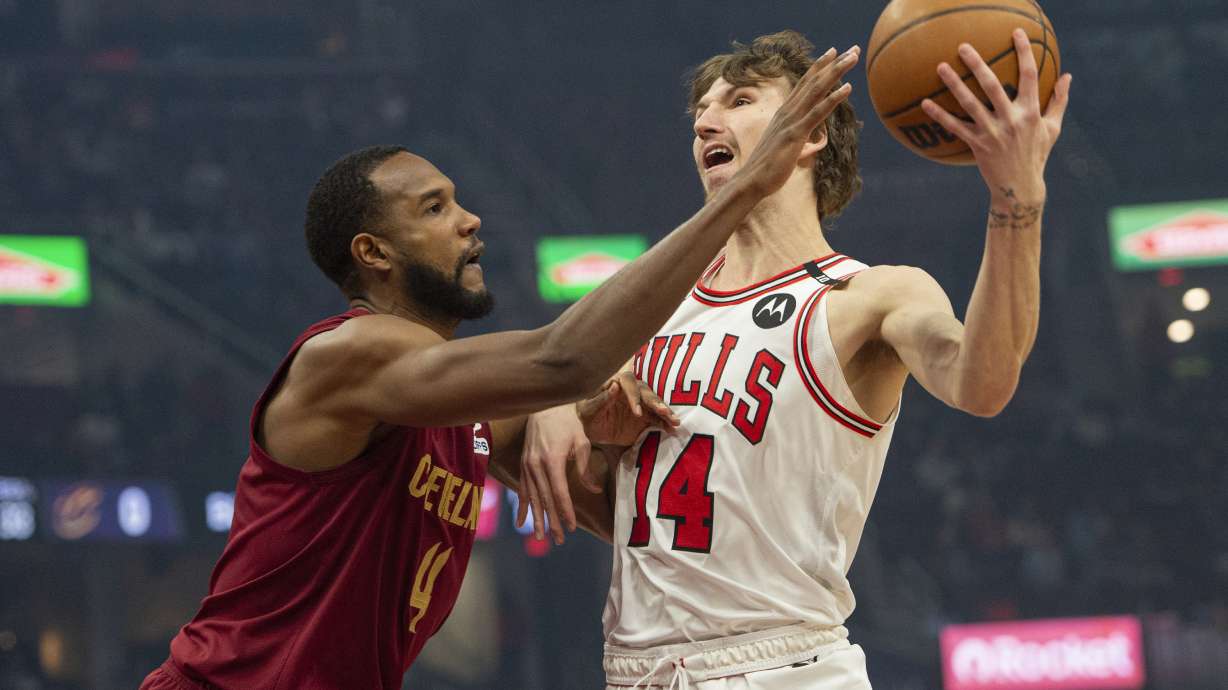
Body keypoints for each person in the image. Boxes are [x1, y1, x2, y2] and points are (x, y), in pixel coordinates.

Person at [138, 46, 861, 690]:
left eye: (458, 200)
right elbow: (562, 359)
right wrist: (743, 193)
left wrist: (585, 419)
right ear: (374, 253)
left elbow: (631, 513)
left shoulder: (466, 407)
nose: (470, 219)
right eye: (433, 208)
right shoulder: (347, 355)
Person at [520, 29, 1073, 689]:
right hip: (638, 669)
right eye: (700, 109)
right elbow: (562, 413)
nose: (704, 121)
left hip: (782, 665)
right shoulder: (650, 307)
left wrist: (1018, 200)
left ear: (810, 135)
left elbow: (983, 383)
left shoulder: (867, 294)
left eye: (739, 99)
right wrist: (560, 407)